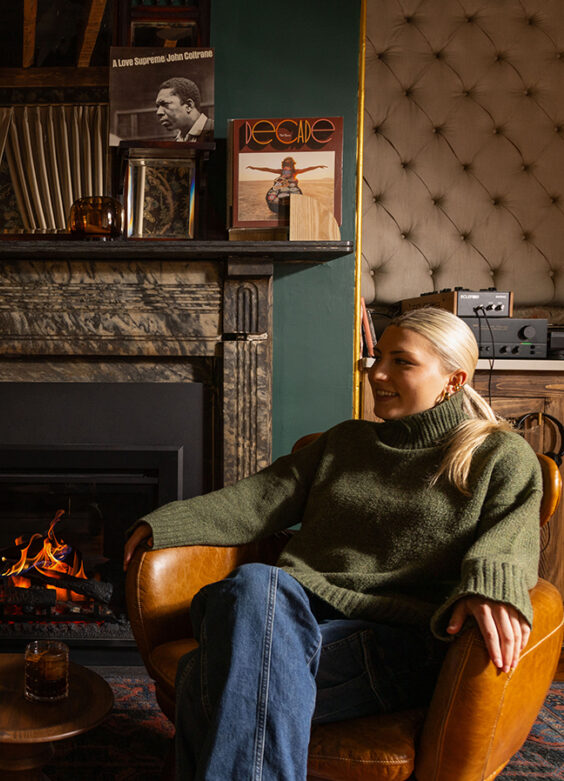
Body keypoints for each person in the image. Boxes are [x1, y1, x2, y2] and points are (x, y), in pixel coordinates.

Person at [123, 306, 541, 781]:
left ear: (453, 378)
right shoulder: (345, 442)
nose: (376, 373)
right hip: (288, 613)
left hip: (394, 644)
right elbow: (257, 499)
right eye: (376, 357)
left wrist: (491, 585)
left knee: (208, 676)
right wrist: (164, 523)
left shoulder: (497, 454)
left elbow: (513, 535)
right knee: (258, 583)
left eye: (401, 362)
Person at [246, 156, 327, 214]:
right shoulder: (281, 172)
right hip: (280, 193)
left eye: (288, 166)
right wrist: (254, 168)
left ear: (292, 166)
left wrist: (318, 166)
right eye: (284, 165)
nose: (286, 167)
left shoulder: (295, 172)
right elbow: (267, 169)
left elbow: (307, 169)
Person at [155, 77, 214, 142]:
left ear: (189, 106)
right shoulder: (178, 142)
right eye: (158, 106)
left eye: (165, 104)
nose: (158, 112)